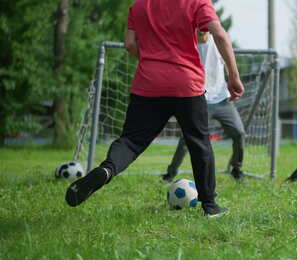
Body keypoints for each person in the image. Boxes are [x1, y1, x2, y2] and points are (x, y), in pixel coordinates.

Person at [65, 0, 244, 217]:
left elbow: (130, 44)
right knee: (199, 143)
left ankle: (106, 170)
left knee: (130, 141)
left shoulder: (139, 5)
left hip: (148, 83)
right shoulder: (196, 2)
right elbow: (220, 35)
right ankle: (210, 206)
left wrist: (154, 63)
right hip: (186, 84)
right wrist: (233, 76)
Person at [162, 30, 247, 184]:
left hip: (222, 100)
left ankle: (237, 170)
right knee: (187, 139)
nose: (203, 29)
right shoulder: (188, 43)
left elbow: (229, 62)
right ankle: (170, 174)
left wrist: (233, 79)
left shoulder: (219, 41)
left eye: (206, 25)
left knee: (239, 133)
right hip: (199, 99)